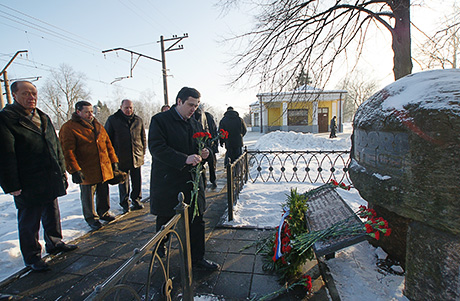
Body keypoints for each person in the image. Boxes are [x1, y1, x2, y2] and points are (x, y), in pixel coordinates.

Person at [0, 81, 77, 272]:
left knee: (52, 212)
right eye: (26, 94)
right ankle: (32, 256)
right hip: (27, 180)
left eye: (33, 94)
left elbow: (56, 147)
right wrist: (11, 184)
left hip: (49, 176)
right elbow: (4, 154)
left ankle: (55, 242)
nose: (31, 97)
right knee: (29, 220)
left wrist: (61, 171)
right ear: (14, 95)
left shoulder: (42, 117)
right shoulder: (7, 119)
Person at [148, 87, 219, 271]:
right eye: (190, 104)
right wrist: (183, 159)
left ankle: (197, 259)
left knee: (197, 220)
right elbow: (157, 148)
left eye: (196, 105)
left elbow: (204, 144)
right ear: (179, 101)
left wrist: (206, 152)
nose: (193, 109)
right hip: (169, 182)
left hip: (192, 183)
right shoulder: (160, 120)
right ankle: (160, 245)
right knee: (166, 219)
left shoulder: (194, 123)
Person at [59, 101, 119, 231]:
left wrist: (113, 161)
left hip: (102, 166)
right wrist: (74, 170)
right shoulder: (69, 127)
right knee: (88, 195)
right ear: (78, 112)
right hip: (86, 168)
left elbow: (108, 144)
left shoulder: (97, 125)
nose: (90, 114)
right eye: (86, 112)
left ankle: (104, 212)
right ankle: (91, 218)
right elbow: (67, 151)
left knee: (103, 191)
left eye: (91, 111)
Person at [105, 99, 146, 213]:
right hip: (121, 156)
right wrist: (112, 156)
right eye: (126, 108)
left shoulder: (138, 120)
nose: (129, 110)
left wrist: (142, 151)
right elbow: (108, 139)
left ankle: (136, 200)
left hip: (136, 156)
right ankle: (125, 203)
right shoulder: (113, 120)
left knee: (137, 180)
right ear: (121, 107)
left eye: (130, 108)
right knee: (123, 182)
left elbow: (143, 137)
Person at [193, 107, 218, 189]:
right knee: (209, 162)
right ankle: (209, 180)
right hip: (204, 141)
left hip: (204, 141)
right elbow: (211, 129)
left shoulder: (203, 115)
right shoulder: (205, 115)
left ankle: (209, 180)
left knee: (208, 161)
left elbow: (208, 128)